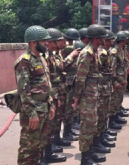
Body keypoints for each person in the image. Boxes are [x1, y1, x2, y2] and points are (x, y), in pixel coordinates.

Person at [14, 25, 55, 165]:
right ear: (33, 42)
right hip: (33, 111)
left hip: (44, 108)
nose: (47, 43)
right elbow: (24, 91)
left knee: (39, 145)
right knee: (28, 147)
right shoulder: (24, 61)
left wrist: (51, 104)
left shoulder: (42, 59)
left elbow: (47, 84)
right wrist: (32, 114)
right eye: (44, 41)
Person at [72, 24, 107, 165]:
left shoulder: (94, 51)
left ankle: (90, 152)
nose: (105, 38)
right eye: (103, 36)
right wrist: (77, 97)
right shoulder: (87, 53)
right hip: (87, 95)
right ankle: (85, 158)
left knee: (93, 125)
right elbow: (81, 77)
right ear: (97, 38)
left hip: (93, 94)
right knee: (87, 126)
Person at [45, 28, 80, 163]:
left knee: (58, 117)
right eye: (59, 40)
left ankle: (56, 141)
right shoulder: (48, 55)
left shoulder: (55, 53)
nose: (62, 42)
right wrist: (71, 57)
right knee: (52, 121)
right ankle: (49, 149)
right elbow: (60, 67)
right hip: (53, 92)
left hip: (59, 90)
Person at [93, 31, 117, 152]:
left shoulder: (105, 52)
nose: (113, 42)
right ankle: (97, 142)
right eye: (111, 39)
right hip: (100, 89)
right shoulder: (101, 53)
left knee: (104, 114)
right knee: (100, 115)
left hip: (105, 87)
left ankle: (102, 137)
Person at [61, 28, 81, 141]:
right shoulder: (68, 50)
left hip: (70, 81)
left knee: (70, 108)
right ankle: (66, 133)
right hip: (67, 82)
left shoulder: (66, 50)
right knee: (68, 109)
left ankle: (68, 131)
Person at [108, 31, 129, 130]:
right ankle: (112, 122)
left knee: (118, 100)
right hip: (117, 80)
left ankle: (116, 117)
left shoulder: (121, 50)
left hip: (121, 79)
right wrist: (114, 82)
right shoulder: (114, 52)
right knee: (113, 102)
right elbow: (112, 69)